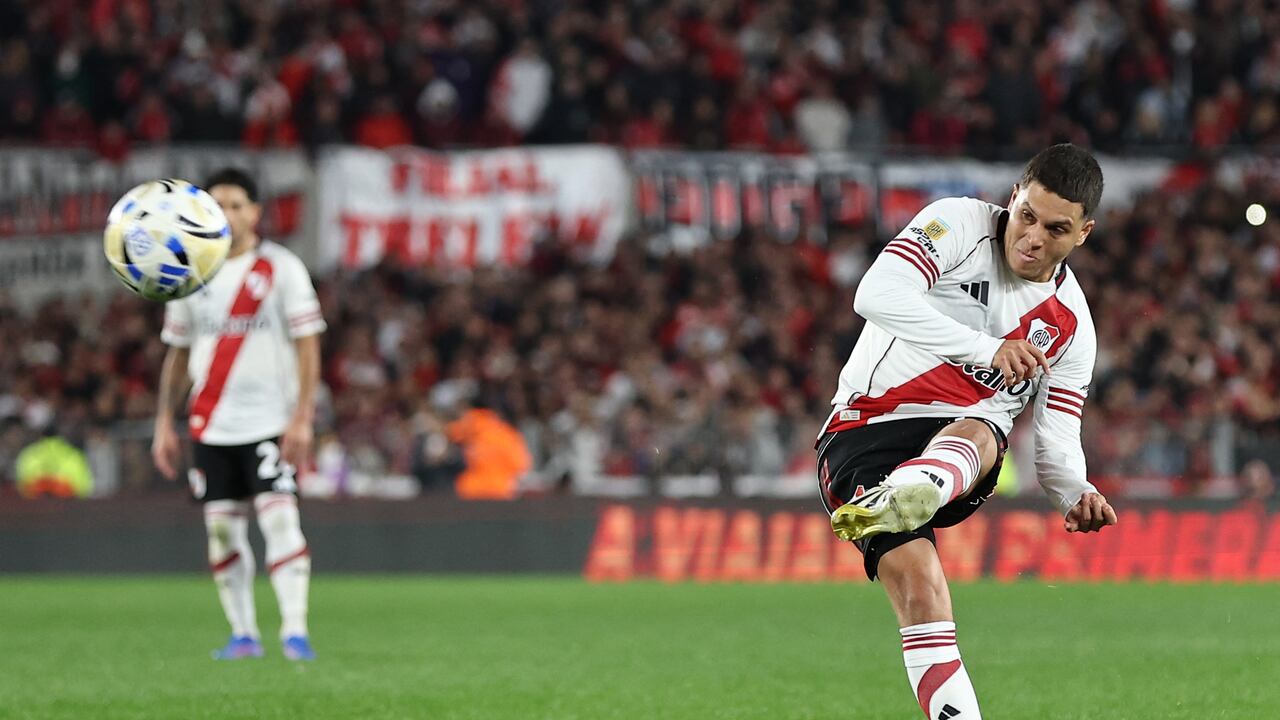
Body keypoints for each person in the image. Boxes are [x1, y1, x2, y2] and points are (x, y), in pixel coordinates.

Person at [815, 144, 1118, 719]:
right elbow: (874, 295)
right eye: (1027, 215)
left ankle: (916, 488)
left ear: (1084, 234)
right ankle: (905, 492)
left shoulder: (1072, 325)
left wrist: (1075, 492)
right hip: (864, 428)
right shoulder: (957, 223)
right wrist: (988, 350)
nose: (1032, 238)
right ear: (1013, 198)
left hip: (962, 449)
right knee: (924, 594)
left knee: (983, 424)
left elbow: (1056, 440)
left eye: (1056, 229)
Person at [152, 168, 325, 661]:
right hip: (211, 424)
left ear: (255, 211)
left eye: (234, 204)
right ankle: (244, 634)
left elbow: (309, 346)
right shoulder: (188, 272)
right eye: (215, 205)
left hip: (271, 421)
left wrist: (302, 417)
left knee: (280, 523)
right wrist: (165, 421)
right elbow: (179, 353)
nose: (225, 214)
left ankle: (295, 631)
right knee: (222, 531)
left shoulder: (282, 268)